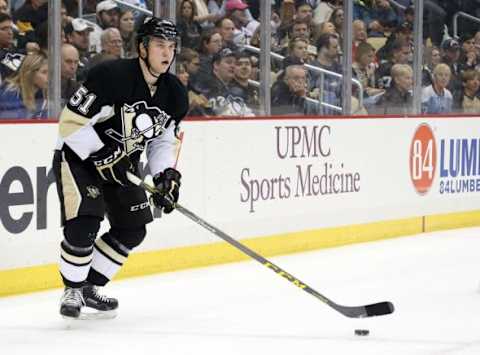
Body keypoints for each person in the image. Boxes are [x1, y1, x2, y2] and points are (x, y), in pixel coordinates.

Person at [52, 17, 188, 320]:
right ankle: (72, 288)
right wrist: (101, 152)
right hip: (79, 159)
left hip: (121, 166)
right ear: (142, 47)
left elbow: (163, 141)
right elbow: (70, 123)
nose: (167, 53)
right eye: (159, 45)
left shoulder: (175, 93)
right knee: (84, 223)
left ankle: (89, 287)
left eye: (171, 46)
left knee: (132, 228)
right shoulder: (109, 76)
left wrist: (165, 175)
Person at [0, 51, 48, 119]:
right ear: (30, 74)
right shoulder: (9, 93)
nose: (49, 76)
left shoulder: (41, 93)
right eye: (44, 72)